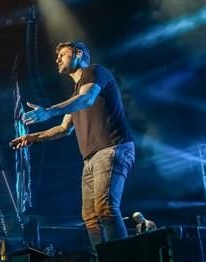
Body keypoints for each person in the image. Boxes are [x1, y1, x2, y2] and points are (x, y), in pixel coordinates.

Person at [11, 41, 134, 248]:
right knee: (90, 217)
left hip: (112, 147)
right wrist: (32, 138)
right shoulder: (74, 97)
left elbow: (87, 99)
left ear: (78, 54)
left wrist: (48, 111)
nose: (57, 59)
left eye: (63, 54)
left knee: (105, 208)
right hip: (90, 159)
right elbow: (63, 129)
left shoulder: (95, 72)